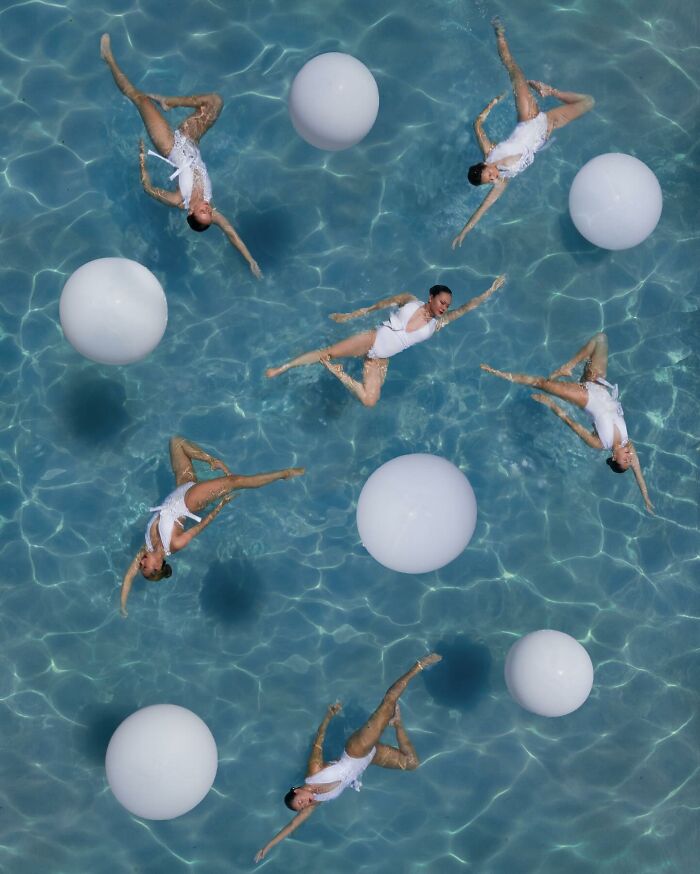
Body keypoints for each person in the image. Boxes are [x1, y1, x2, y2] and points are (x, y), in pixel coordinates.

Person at [100, 34, 262, 278]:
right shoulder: (211, 207)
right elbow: (230, 233)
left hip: (169, 145)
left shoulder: (179, 200)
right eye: (210, 213)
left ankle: (109, 59)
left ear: (191, 213)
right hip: (192, 140)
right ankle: (170, 102)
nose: (209, 209)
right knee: (215, 102)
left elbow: (148, 188)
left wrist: (143, 159)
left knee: (139, 98)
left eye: (204, 213)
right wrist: (250, 260)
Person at [254, 653, 442, 862]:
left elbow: (319, 742)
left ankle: (419, 664)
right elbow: (291, 827)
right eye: (302, 807)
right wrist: (267, 847)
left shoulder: (313, 773)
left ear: (298, 790)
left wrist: (329, 716)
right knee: (411, 763)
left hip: (357, 750)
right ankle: (397, 723)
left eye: (300, 802)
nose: (305, 804)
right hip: (369, 759)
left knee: (388, 702)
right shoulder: (316, 802)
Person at [119, 436, 304, 615]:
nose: (141, 562)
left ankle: (211, 460)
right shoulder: (174, 544)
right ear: (158, 566)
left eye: (141, 565)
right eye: (145, 566)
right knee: (235, 482)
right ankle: (283, 474)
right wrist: (219, 507)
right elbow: (200, 526)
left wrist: (123, 606)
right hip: (190, 501)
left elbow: (128, 577)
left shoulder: (147, 547)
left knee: (176, 442)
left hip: (181, 487)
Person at [452, 18, 594, 248]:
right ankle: (553, 92)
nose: (492, 179)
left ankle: (499, 33)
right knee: (588, 102)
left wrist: (491, 105)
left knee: (514, 70)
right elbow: (483, 208)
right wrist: (464, 232)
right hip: (547, 127)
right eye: (488, 182)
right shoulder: (503, 181)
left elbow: (477, 126)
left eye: (488, 176)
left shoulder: (490, 152)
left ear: (484, 165)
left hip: (528, 117)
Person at [266, 276, 506, 407]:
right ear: (431, 297)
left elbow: (466, 308)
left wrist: (489, 292)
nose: (445, 307)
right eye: (442, 302)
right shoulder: (409, 300)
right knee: (326, 352)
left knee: (370, 401)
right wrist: (351, 315)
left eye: (447, 305)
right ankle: (282, 368)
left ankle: (338, 373)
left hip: (380, 359)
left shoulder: (437, 325)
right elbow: (377, 306)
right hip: (371, 339)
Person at [480, 333, 654, 512]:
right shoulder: (627, 442)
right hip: (598, 383)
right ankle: (568, 367)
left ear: (614, 458)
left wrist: (551, 404)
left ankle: (497, 373)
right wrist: (646, 497)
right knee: (600, 339)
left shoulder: (600, 443)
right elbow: (638, 473)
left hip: (584, 396)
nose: (629, 458)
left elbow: (572, 424)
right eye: (629, 459)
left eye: (625, 460)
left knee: (541, 383)